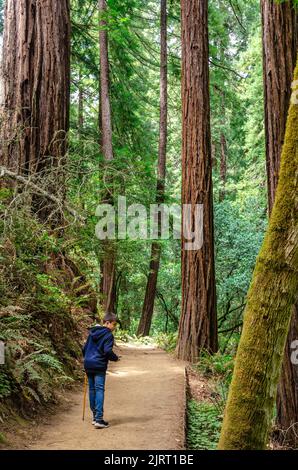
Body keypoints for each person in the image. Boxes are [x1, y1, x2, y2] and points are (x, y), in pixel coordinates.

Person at [82, 312, 119, 429]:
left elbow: (84, 349)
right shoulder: (108, 335)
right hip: (99, 365)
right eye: (113, 324)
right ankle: (99, 419)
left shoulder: (92, 332)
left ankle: (94, 417)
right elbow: (107, 351)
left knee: (92, 389)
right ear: (107, 323)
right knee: (99, 390)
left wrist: (87, 358)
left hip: (88, 364)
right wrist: (115, 358)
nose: (114, 327)